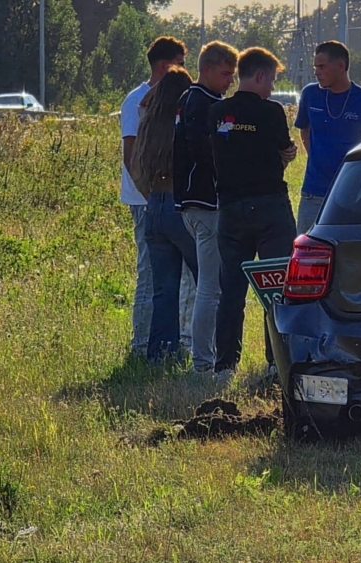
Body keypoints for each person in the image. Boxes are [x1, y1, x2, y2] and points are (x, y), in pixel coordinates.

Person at [209, 47, 298, 378]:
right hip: (269, 206)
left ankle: (225, 365)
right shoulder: (272, 112)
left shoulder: (217, 112)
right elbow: (284, 147)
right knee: (277, 286)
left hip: (231, 208)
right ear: (259, 76)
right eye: (272, 80)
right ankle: (276, 362)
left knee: (231, 289)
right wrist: (285, 155)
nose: (272, 88)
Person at [173, 41, 239, 375]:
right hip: (205, 202)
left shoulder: (191, 99)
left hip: (191, 203)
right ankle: (203, 362)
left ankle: (204, 354)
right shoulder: (203, 103)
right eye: (227, 74)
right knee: (210, 288)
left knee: (206, 285)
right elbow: (206, 152)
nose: (230, 81)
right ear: (208, 69)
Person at [120, 36, 187, 359]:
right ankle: (141, 343)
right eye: (181, 63)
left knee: (166, 277)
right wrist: (151, 196)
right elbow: (131, 152)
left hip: (158, 200)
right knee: (150, 275)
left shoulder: (167, 101)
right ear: (166, 65)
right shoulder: (138, 100)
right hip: (145, 200)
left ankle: (165, 344)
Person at [132, 66, 200, 363]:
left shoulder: (149, 124)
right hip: (180, 204)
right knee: (207, 281)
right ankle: (203, 350)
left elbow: (135, 168)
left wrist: (152, 196)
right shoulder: (183, 122)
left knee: (163, 290)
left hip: (154, 204)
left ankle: (159, 353)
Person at [294, 41, 361, 234]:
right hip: (314, 192)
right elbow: (305, 129)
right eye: (315, 67)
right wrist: (316, 156)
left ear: (341, 66)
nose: (317, 72)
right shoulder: (310, 94)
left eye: (322, 67)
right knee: (306, 252)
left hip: (354, 195)